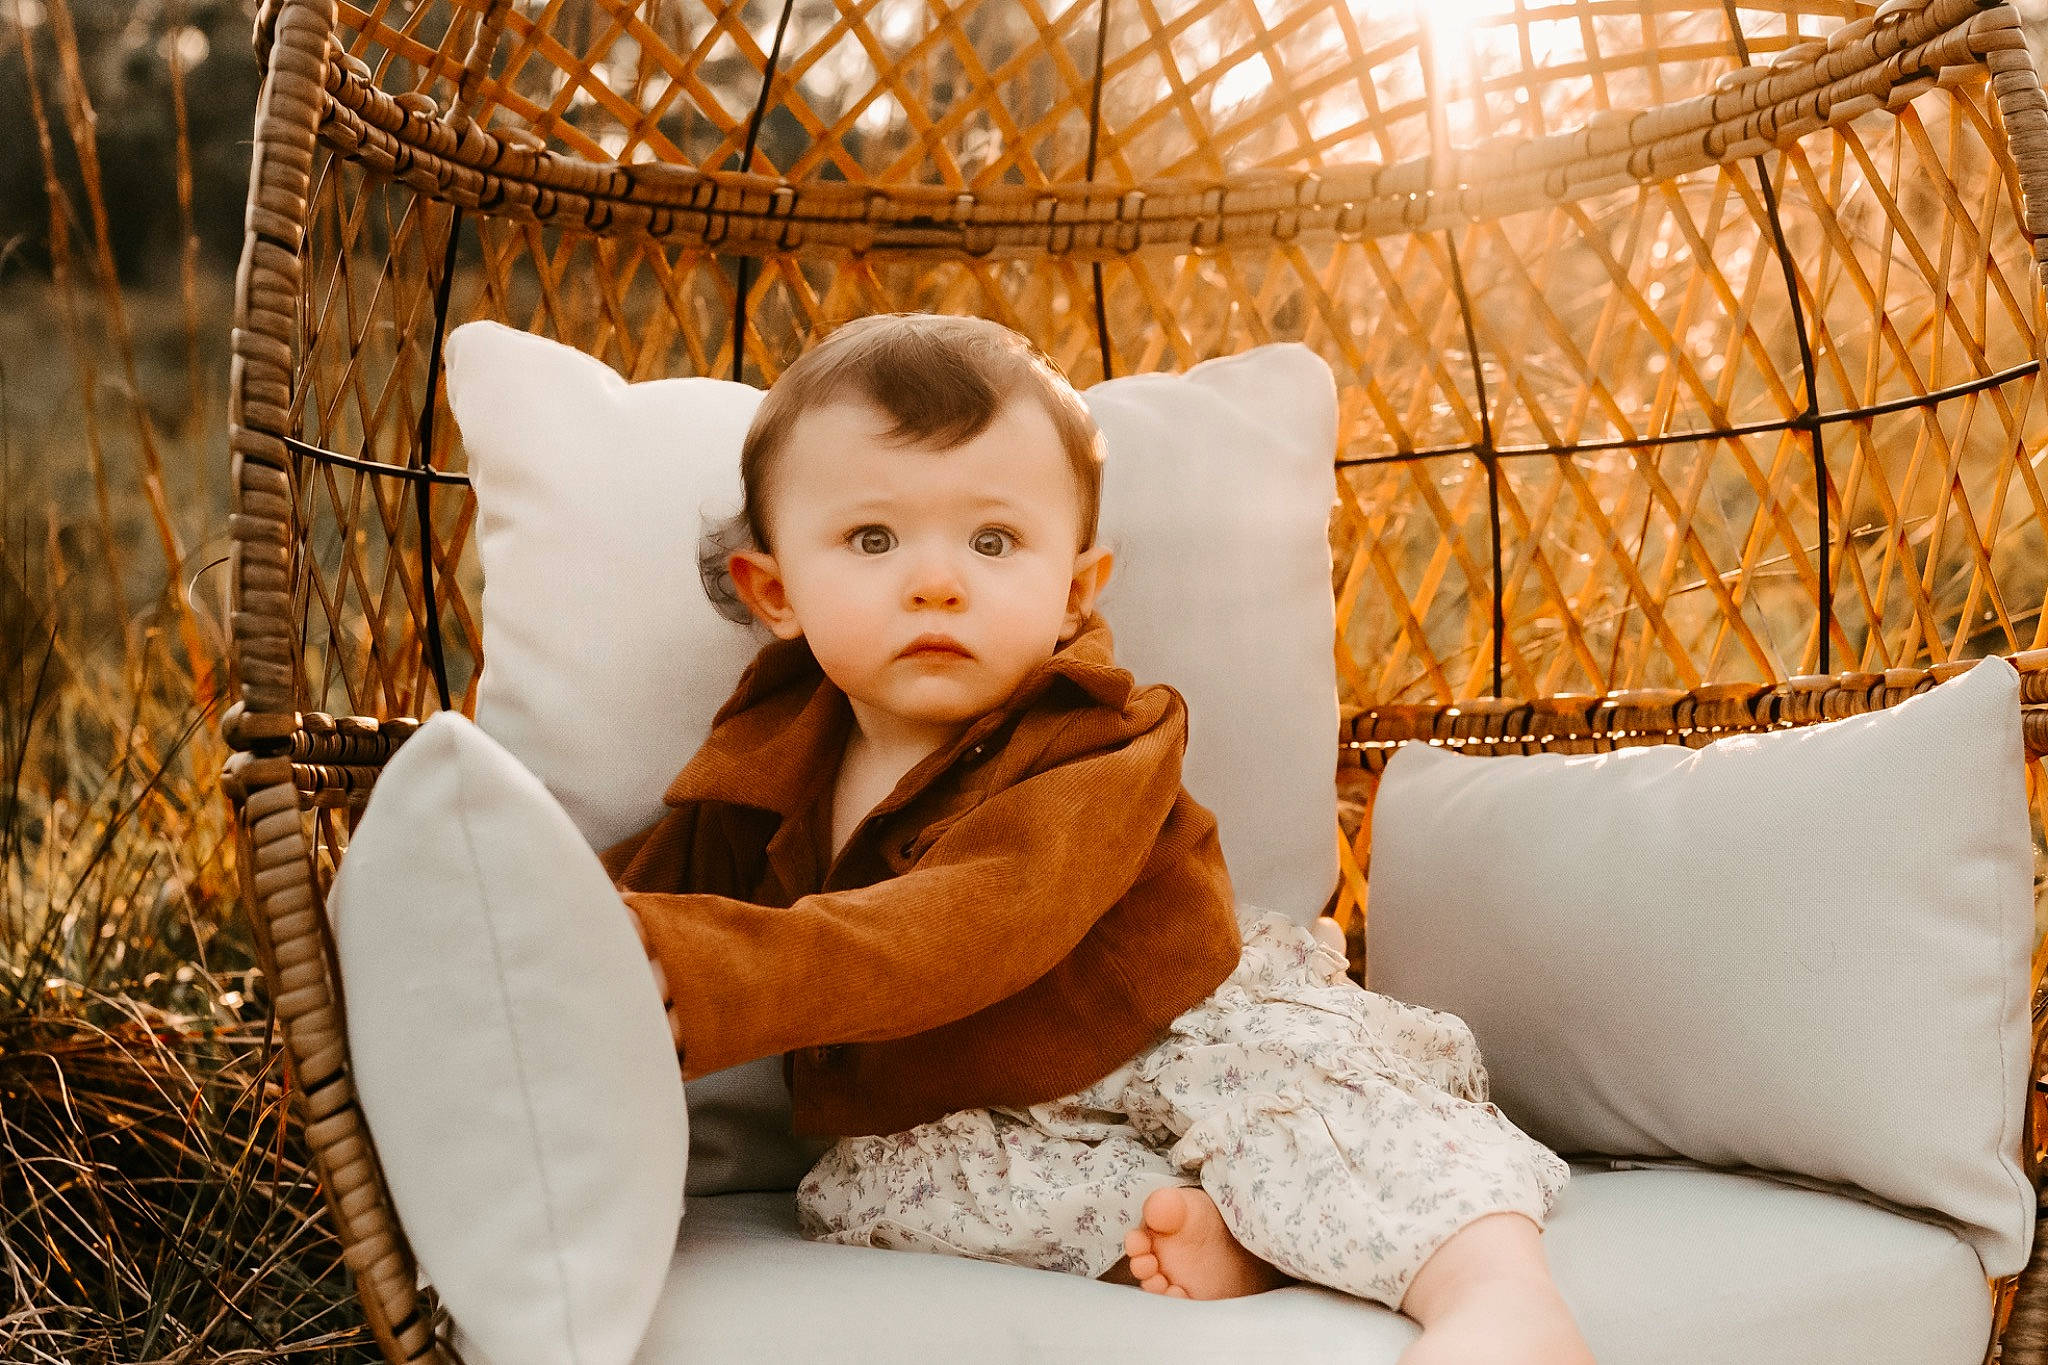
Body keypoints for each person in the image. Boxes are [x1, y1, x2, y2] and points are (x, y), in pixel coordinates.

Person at [599, 312, 1595, 1363]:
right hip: (971, 1094)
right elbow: (649, 891)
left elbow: (978, 920)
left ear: (1073, 593)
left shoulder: (1100, 738)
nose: (936, 581)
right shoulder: (769, 754)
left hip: (1173, 1025)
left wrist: (701, 970)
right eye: (873, 539)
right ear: (774, 591)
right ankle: (1232, 1232)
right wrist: (572, 929)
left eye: (992, 542)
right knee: (875, 1192)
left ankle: (1492, 1293)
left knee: (1311, 1110)